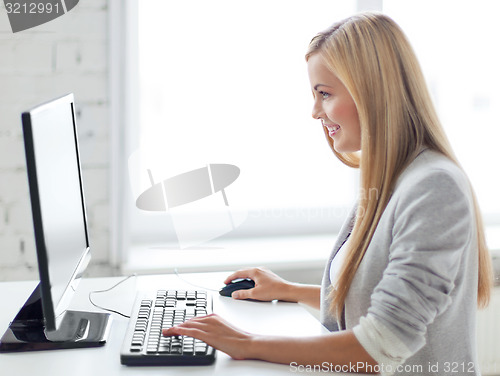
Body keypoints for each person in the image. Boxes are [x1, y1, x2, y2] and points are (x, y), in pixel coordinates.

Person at [163, 12, 493, 375]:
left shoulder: (434, 188)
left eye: (325, 94)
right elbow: (372, 301)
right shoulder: (391, 179)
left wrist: (246, 344)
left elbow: (382, 345)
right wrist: (289, 290)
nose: (315, 111)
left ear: (372, 92)